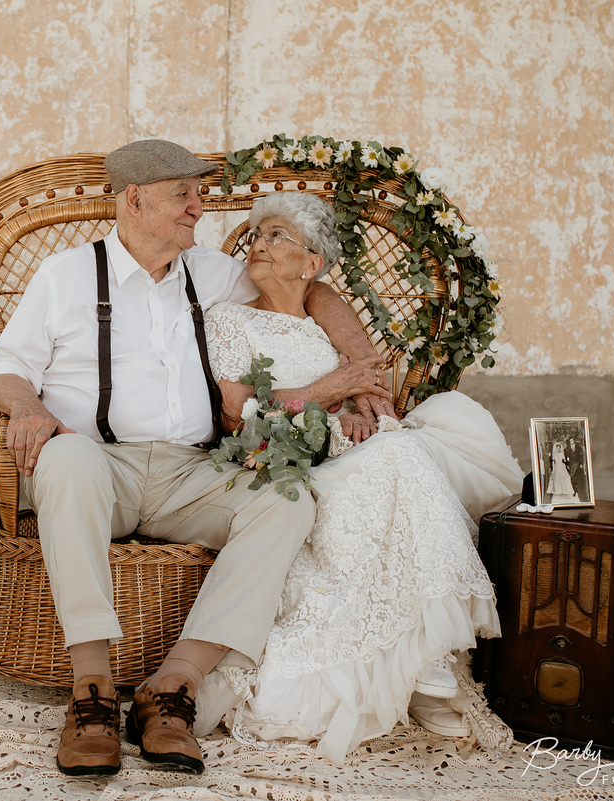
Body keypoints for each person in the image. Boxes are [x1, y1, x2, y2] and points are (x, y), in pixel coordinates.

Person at [0, 141, 390, 776]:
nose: (198, 208)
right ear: (133, 199)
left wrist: (358, 377)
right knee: (62, 461)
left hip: (192, 472)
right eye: (184, 194)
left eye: (197, 194)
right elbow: (4, 370)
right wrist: (28, 409)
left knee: (285, 501)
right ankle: (90, 692)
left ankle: (171, 688)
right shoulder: (65, 276)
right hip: (98, 464)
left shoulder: (211, 271)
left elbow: (309, 290)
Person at [199, 191, 524, 763]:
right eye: (256, 235)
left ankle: (426, 654)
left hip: (353, 447)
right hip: (287, 456)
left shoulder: (322, 305)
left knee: (405, 451)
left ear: (312, 264)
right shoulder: (229, 318)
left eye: (278, 236)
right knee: (400, 464)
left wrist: (364, 415)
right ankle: (427, 659)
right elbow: (235, 409)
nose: (259, 244)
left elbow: (371, 383)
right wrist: (326, 399)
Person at [546, 439, 579, 504]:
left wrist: (566, 462)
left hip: (561, 467)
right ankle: (558, 491)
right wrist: (553, 469)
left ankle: (565, 491)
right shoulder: (554, 455)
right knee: (557, 479)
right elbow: (553, 462)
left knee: (566, 478)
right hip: (556, 467)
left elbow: (564, 461)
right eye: (557, 448)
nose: (558, 450)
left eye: (559, 448)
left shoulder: (561, 454)